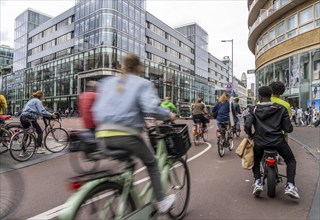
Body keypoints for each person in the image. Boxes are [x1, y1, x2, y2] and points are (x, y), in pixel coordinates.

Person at [93, 54, 176, 213]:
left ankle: (125, 194)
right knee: (151, 163)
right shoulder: (142, 83)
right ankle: (162, 201)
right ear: (139, 67)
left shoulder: (108, 82)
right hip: (126, 135)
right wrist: (168, 115)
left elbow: (97, 108)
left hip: (102, 134)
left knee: (129, 163)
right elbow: (151, 108)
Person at [244, 86, 299, 199]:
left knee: (256, 160)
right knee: (290, 160)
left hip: (260, 142)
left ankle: (258, 182)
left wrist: (250, 134)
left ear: (260, 96)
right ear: (271, 95)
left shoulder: (253, 109)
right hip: (278, 141)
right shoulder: (281, 108)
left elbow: (247, 125)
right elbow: (288, 129)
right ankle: (290, 185)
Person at [20, 91, 56, 155]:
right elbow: (42, 111)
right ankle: (39, 148)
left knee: (26, 133)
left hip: (23, 117)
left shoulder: (31, 100)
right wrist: (51, 115)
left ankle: (23, 151)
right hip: (30, 117)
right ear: (41, 96)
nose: (43, 97)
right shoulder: (38, 101)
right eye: (43, 96)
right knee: (40, 132)